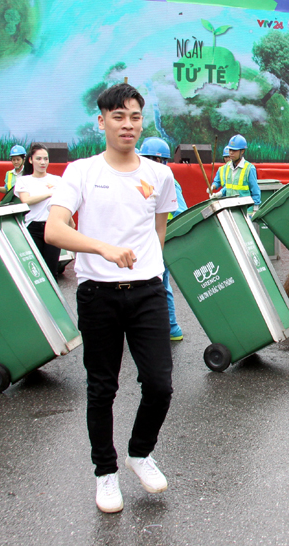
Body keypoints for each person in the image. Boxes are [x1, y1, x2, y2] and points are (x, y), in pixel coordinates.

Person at [45, 83, 178, 514]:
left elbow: (158, 230)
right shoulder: (81, 172)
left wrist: (149, 268)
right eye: (118, 116)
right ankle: (105, 473)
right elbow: (54, 230)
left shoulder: (158, 174)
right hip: (97, 294)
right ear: (101, 121)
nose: (128, 124)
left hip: (147, 292)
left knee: (159, 384)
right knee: (102, 389)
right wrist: (102, 248)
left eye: (135, 116)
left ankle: (140, 452)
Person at [138, 137, 187, 342]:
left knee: (160, 284)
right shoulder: (140, 182)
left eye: (154, 160)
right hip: (143, 242)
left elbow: (181, 213)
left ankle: (171, 327)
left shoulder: (169, 182)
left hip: (161, 243)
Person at [15, 143, 64, 277]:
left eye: (46, 159)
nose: (43, 162)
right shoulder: (23, 181)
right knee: (35, 271)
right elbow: (26, 200)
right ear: (31, 160)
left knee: (51, 269)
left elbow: (62, 204)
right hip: (33, 227)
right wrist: (49, 193)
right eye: (39, 159)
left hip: (52, 227)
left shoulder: (57, 180)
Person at [210, 134, 260, 207]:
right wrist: (220, 193)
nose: (231, 153)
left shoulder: (249, 168)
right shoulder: (226, 167)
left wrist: (255, 209)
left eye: (234, 150)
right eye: (230, 150)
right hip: (230, 209)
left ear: (242, 151)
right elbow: (229, 187)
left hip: (245, 211)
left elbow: (255, 192)